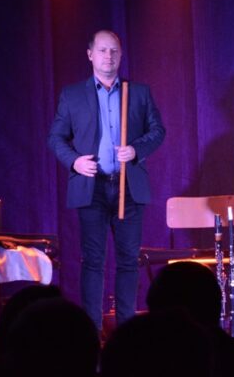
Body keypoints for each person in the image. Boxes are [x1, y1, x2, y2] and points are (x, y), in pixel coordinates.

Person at [48, 30, 166, 331]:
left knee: (128, 260)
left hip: (128, 186)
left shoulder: (138, 92)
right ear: (90, 54)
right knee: (93, 260)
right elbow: (56, 138)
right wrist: (75, 160)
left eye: (114, 50)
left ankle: (126, 329)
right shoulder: (72, 95)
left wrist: (136, 149)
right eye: (102, 50)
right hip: (93, 188)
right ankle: (92, 330)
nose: (108, 56)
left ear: (121, 55)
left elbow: (158, 131)